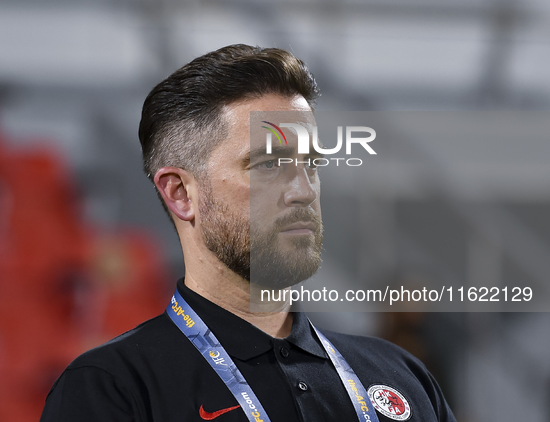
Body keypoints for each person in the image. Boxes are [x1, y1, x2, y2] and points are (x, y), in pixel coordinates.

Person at [40, 44, 456, 422]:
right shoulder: (112, 389)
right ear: (181, 193)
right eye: (268, 165)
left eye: (310, 164)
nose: (303, 191)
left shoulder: (403, 378)